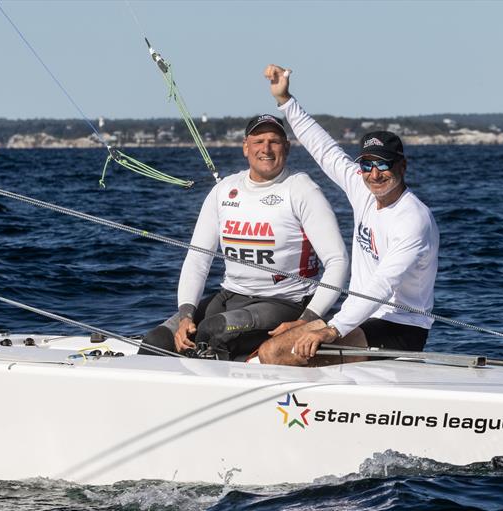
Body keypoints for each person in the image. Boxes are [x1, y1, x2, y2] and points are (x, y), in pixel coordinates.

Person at [257, 65, 439, 366]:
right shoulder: (364, 190)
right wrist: (285, 99)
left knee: (279, 355)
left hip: (400, 328)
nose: (374, 174)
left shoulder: (412, 219)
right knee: (269, 348)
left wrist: (332, 329)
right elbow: (325, 150)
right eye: (367, 165)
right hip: (360, 316)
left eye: (383, 165)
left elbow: (384, 284)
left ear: (402, 167)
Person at [139, 114, 348, 360]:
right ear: (245, 148)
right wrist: (186, 314)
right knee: (156, 342)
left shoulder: (302, 190)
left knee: (213, 332)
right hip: (230, 296)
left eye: (274, 141)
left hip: (285, 303)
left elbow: (338, 261)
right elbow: (197, 259)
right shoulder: (224, 191)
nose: (266, 149)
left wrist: (307, 319)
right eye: (258, 141)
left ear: (287, 147)